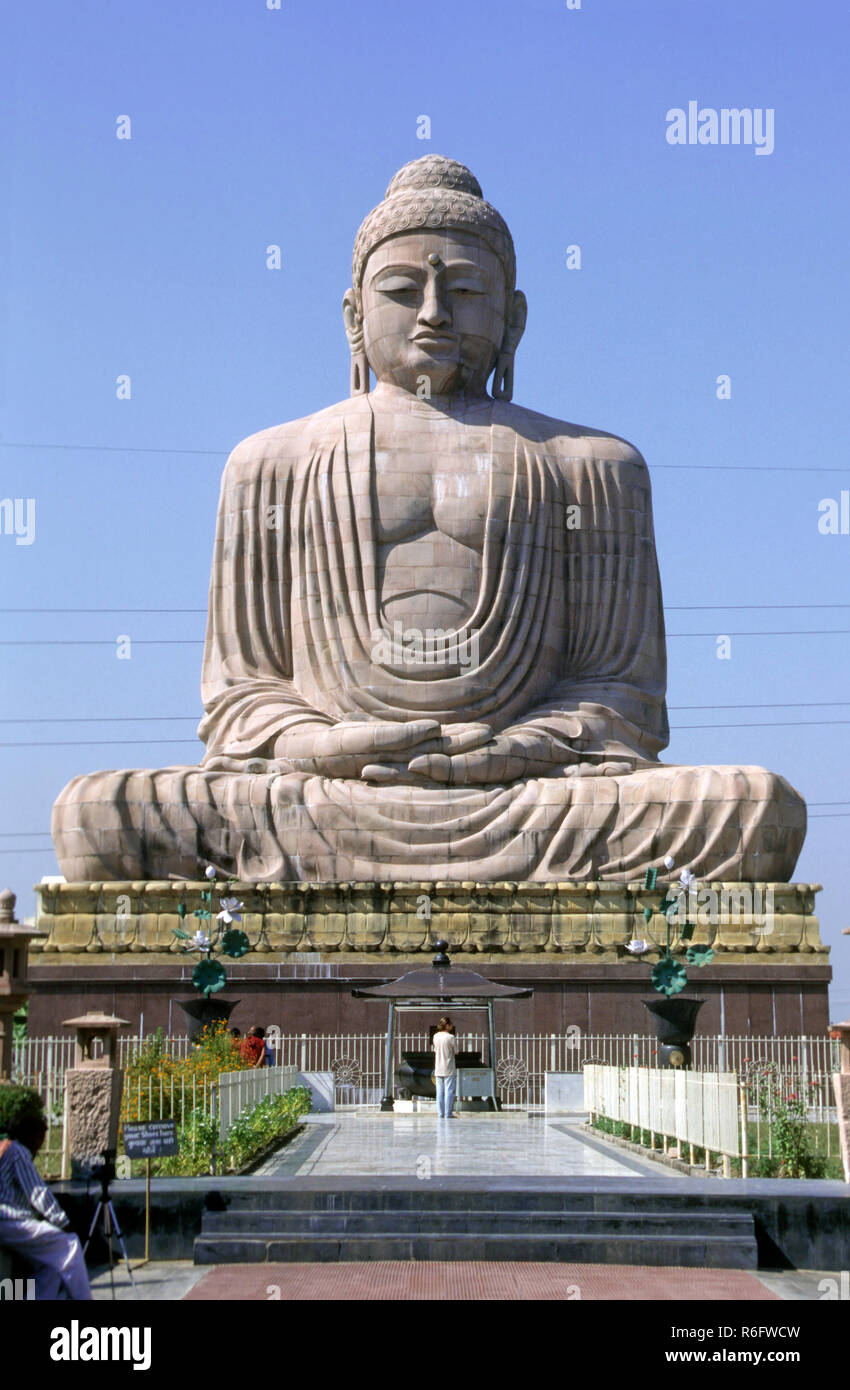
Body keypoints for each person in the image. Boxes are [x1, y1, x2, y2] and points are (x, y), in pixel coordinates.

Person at [0, 1086, 92, 1300]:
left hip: (11, 1221)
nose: (42, 1143)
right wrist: (62, 1222)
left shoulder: (9, 1149)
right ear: (31, 1135)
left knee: (53, 1265)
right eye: (41, 1136)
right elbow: (37, 1193)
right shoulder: (18, 1152)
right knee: (70, 1245)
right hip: (11, 1222)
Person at [432, 1017, 458, 1120]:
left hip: (438, 1068)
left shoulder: (435, 1036)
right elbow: (456, 1051)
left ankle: (440, 1113)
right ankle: (448, 1113)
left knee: (439, 1092)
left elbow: (435, 1050)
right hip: (449, 1068)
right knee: (449, 1091)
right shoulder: (451, 1037)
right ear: (447, 1025)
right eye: (450, 1024)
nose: (451, 1026)